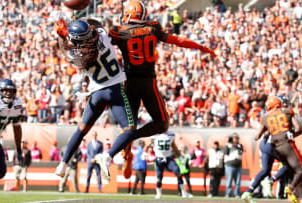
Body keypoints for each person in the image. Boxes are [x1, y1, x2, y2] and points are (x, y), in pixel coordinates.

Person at [108, 0, 215, 175]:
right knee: (162, 124)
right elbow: (178, 40)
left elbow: (103, 45)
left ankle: (127, 146)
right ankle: (132, 139)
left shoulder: (120, 32)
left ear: (128, 14)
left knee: (129, 126)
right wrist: (200, 47)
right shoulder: (153, 28)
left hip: (130, 83)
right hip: (149, 83)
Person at [53, 18, 139, 182]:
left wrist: (62, 36)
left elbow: (65, 50)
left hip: (97, 94)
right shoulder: (101, 35)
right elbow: (96, 25)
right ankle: (108, 156)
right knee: (130, 130)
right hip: (116, 89)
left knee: (81, 130)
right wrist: (74, 25)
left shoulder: (75, 55)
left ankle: (62, 164)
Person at [256, 97, 302, 202]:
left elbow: (256, 137)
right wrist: (291, 134)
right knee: (301, 171)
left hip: (275, 147)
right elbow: (299, 128)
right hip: (287, 144)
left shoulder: (265, 117)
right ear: (278, 105)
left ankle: (297, 195)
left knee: (290, 168)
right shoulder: (287, 111)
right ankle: (290, 187)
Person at [241, 132, 289, 202]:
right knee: (289, 164)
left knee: (265, 170)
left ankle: (248, 192)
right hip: (272, 145)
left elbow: (258, 135)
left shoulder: (267, 122)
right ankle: (271, 181)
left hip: (263, 144)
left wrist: (259, 135)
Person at [151, 131, 192, 199]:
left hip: (168, 158)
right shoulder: (155, 135)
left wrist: (181, 158)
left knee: (178, 172)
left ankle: (184, 193)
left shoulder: (170, 134)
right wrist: (146, 152)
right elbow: (149, 144)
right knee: (159, 178)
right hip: (159, 159)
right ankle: (158, 193)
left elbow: (174, 147)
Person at [224, 133, 244, 198]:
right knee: (229, 181)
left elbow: (241, 151)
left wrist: (236, 145)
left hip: (238, 165)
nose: (236, 139)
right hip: (229, 165)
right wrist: (229, 144)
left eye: (237, 137)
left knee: (238, 182)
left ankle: (237, 194)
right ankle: (228, 193)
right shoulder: (228, 145)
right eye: (234, 137)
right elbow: (226, 152)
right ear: (232, 138)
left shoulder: (240, 145)